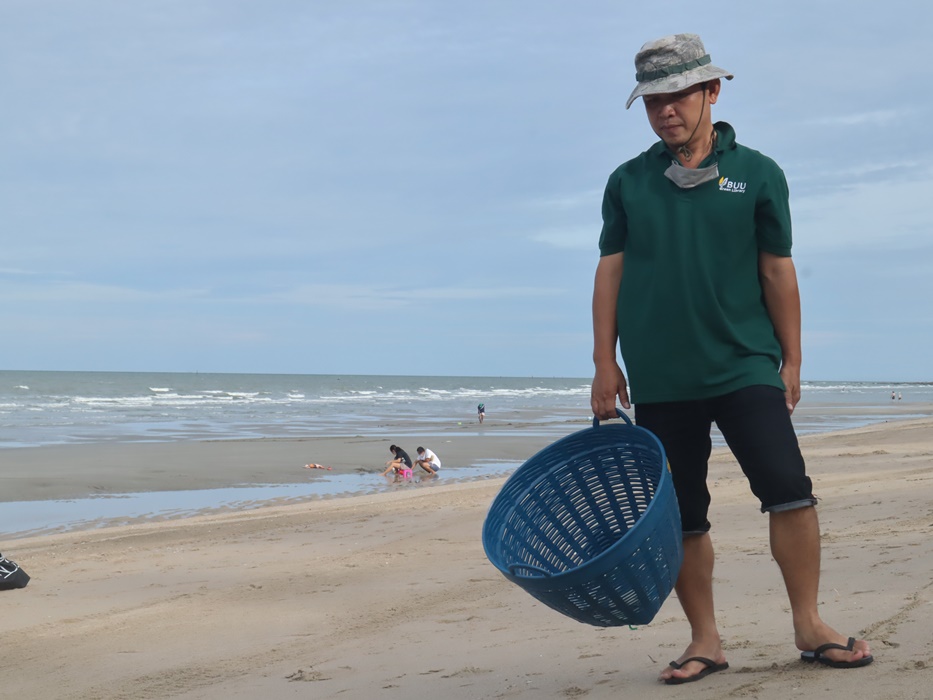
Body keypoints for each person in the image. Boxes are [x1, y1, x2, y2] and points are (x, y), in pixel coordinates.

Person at [590, 33, 872, 685]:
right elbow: (610, 271)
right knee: (682, 513)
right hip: (661, 375)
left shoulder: (759, 173)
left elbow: (777, 269)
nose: (665, 110)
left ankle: (809, 624)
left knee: (788, 489)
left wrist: (791, 358)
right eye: (652, 100)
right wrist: (605, 361)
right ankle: (705, 640)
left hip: (745, 364)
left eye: (678, 95)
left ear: (711, 90)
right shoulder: (628, 182)